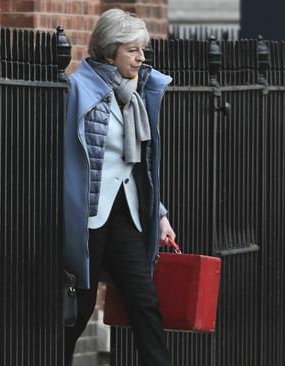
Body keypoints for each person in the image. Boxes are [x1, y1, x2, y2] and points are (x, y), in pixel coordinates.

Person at [62, 9, 175, 366]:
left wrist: (158, 215)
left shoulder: (134, 96)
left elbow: (140, 167)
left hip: (126, 213)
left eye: (143, 49)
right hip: (90, 217)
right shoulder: (77, 90)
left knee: (145, 301)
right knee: (78, 310)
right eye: (133, 50)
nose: (142, 57)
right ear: (110, 51)